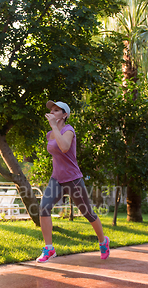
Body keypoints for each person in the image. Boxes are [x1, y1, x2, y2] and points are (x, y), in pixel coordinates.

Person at [37, 100, 110, 263]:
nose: (53, 112)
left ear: (64, 115)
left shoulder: (69, 130)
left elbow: (64, 147)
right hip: (56, 178)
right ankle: (49, 248)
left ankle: (103, 241)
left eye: (57, 110)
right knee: (43, 207)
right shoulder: (50, 134)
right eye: (52, 110)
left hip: (73, 180)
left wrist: (54, 127)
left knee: (88, 213)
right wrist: (53, 129)